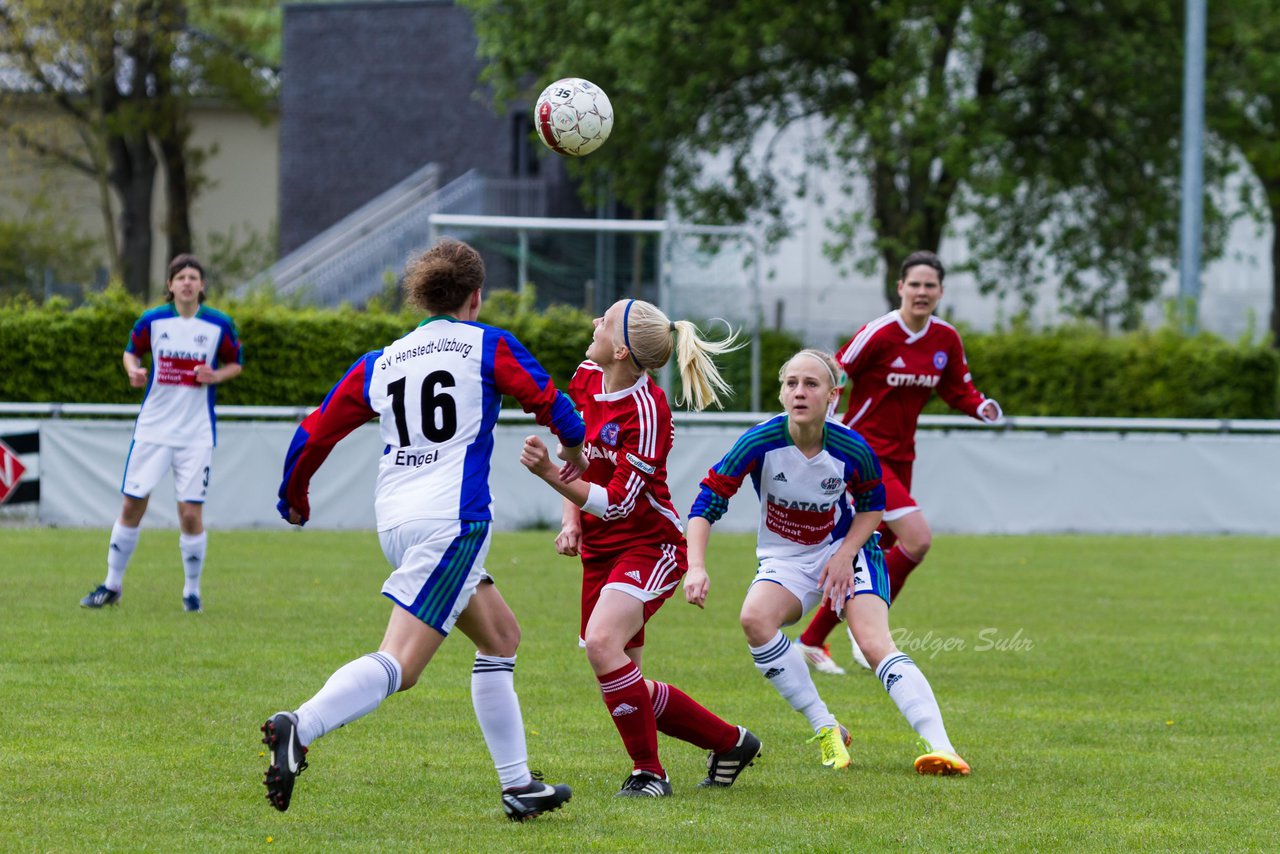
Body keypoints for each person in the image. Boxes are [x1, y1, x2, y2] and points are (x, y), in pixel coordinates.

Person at [262, 238, 586, 821]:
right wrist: (573, 448)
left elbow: (313, 433)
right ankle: (299, 725)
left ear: (424, 296)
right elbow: (550, 402)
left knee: (501, 638)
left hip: (397, 522)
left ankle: (519, 787)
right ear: (476, 297)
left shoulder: (382, 361)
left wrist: (295, 497)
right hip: (454, 522)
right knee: (401, 666)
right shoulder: (486, 345)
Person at [685, 348, 971, 776]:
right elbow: (707, 501)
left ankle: (941, 747)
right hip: (787, 559)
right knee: (755, 619)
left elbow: (875, 505)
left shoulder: (852, 448)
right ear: (781, 394)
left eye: (811, 384)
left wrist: (844, 553)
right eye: (791, 384)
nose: (799, 392)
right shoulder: (759, 441)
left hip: (848, 550)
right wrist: (697, 566)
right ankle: (826, 727)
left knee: (874, 644)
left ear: (833, 396)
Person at [519, 298, 762, 798]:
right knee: (620, 674)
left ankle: (650, 773)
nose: (594, 323)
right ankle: (730, 742)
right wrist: (571, 518)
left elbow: (618, 504)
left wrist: (549, 477)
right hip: (601, 548)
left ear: (623, 349)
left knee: (604, 647)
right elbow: (579, 456)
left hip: (650, 543)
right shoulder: (586, 376)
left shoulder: (649, 411)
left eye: (604, 321)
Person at [796, 251, 1001, 674]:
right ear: (900, 288)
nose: (922, 292)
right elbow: (835, 371)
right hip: (864, 453)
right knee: (918, 539)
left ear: (941, 292)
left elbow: (958, 388)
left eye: (931, 285)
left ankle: (813, 640)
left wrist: (981, 408)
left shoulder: (945, 339)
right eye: (916, 284)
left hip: (903, 456)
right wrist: (821, 427)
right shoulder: (880, 332)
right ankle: (866, 624)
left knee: (879, 553)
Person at [80, 254, 243, 613]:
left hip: (195, 434)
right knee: (131, 504)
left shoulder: (219, 325)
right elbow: (130, 353)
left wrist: (217, 375)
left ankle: (191, 592)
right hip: (153, 430)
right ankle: (112, 585)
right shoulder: (151, 321)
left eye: (193, 277)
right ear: (170, 285)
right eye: (180, 277)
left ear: (202, 286)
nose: (187, 282)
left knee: (189, 515)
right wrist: (133, 371)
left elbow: (236, 362)